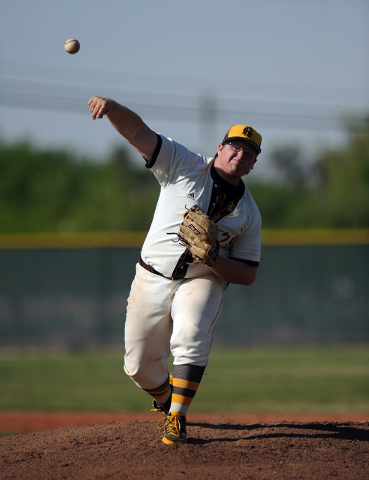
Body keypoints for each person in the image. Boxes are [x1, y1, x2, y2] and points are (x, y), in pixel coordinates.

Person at [88, 96, 262, 445]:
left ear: (253, 164)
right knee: (138, 367)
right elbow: (138, 132)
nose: (239, 155)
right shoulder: (182, 163)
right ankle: (167, 401)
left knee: (191, 332)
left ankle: (177, 419)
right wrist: (112, 108)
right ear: (221, 147)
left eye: (248, 153)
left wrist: (214, 261)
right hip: (151, 275)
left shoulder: (249, 214)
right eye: (234, 147)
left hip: (202, 279)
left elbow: (247, 274)